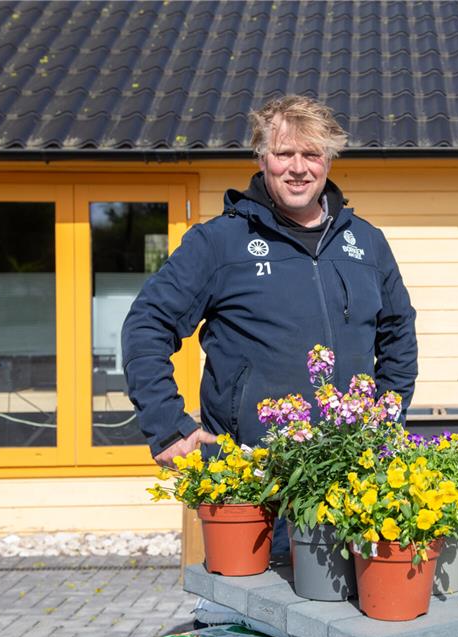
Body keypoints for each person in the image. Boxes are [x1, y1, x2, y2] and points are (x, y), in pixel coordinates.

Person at [122, 94, 418, 466]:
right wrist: (167, 427)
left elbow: (398, 335)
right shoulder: (219, 242)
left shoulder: (367, 242)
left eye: (311, 154)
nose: (298, 168)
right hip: (250, 470)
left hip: (351, 468)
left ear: (328, 160)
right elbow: (147, 324)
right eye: (284, 153)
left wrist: (386, 421)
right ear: (262, 158)